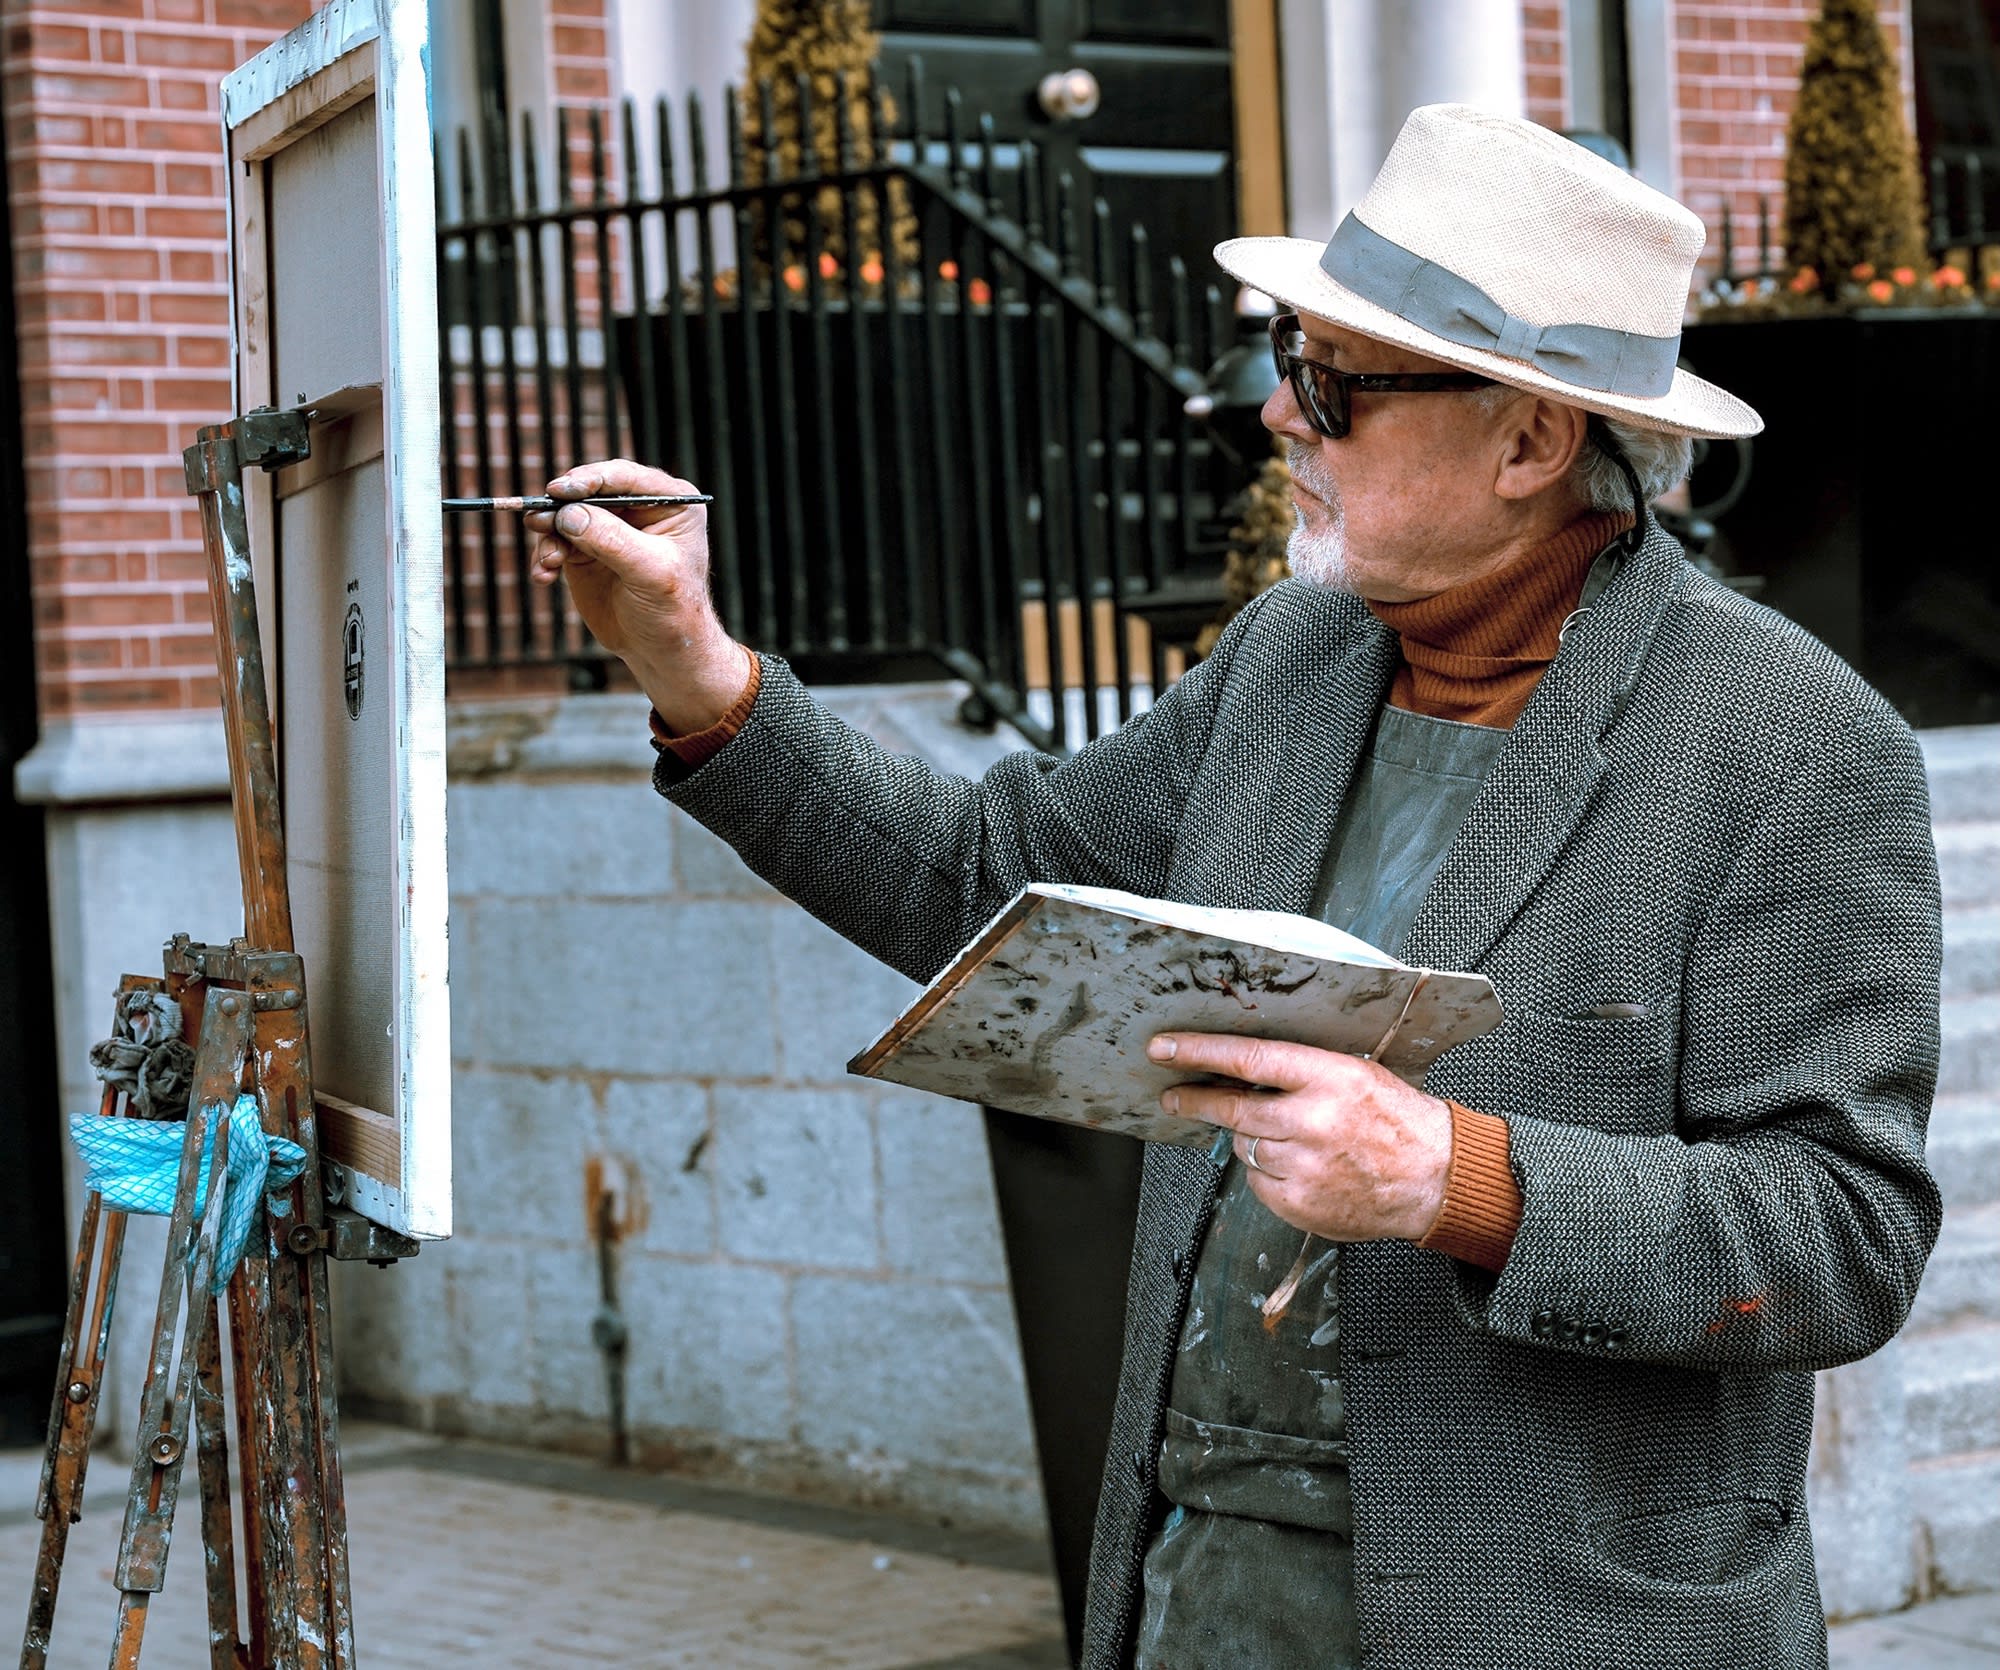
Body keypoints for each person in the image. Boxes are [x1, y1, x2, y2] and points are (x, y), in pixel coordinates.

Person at [524, 105, 1941, 1670]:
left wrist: (1458, 1177)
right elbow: (992, 882)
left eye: (1332, 381)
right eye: (1286, 349)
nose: (1277, 412)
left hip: (1546, 1625)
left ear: (1530, 442)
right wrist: (699, 668)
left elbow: (1842, 1229)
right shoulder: (1292, 659)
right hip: (1205, 1600)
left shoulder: (1789, 745)